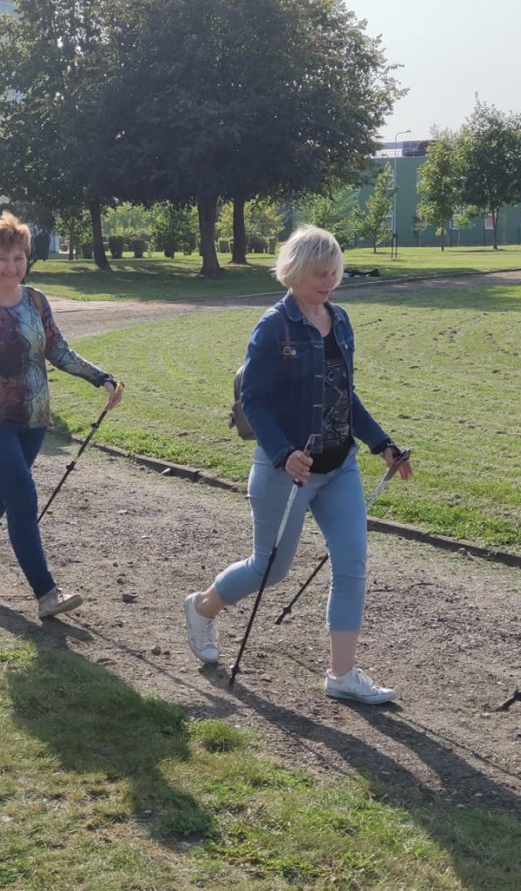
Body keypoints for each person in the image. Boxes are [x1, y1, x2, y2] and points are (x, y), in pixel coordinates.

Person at [182, 225, 412, 703]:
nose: (329, 282)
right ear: (295, 272)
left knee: (352, 563)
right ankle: (203, 606)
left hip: (339, 466)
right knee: (269, 569)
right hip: (285, 470)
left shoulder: (340, 321)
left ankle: (342, 675)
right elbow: (254, 400)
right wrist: (284, 453)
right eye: (319, 274)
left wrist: (382, 445)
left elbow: (345, 397)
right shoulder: (274, 327)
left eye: (334, 272)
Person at [0, 212, 121, 619]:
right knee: (22, 494)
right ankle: (46, 593)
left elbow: (58, 349)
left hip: (34, 416)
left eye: (19, 258)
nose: (12, 267)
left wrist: (101, 378)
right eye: (2, 259)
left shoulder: (36, 301)